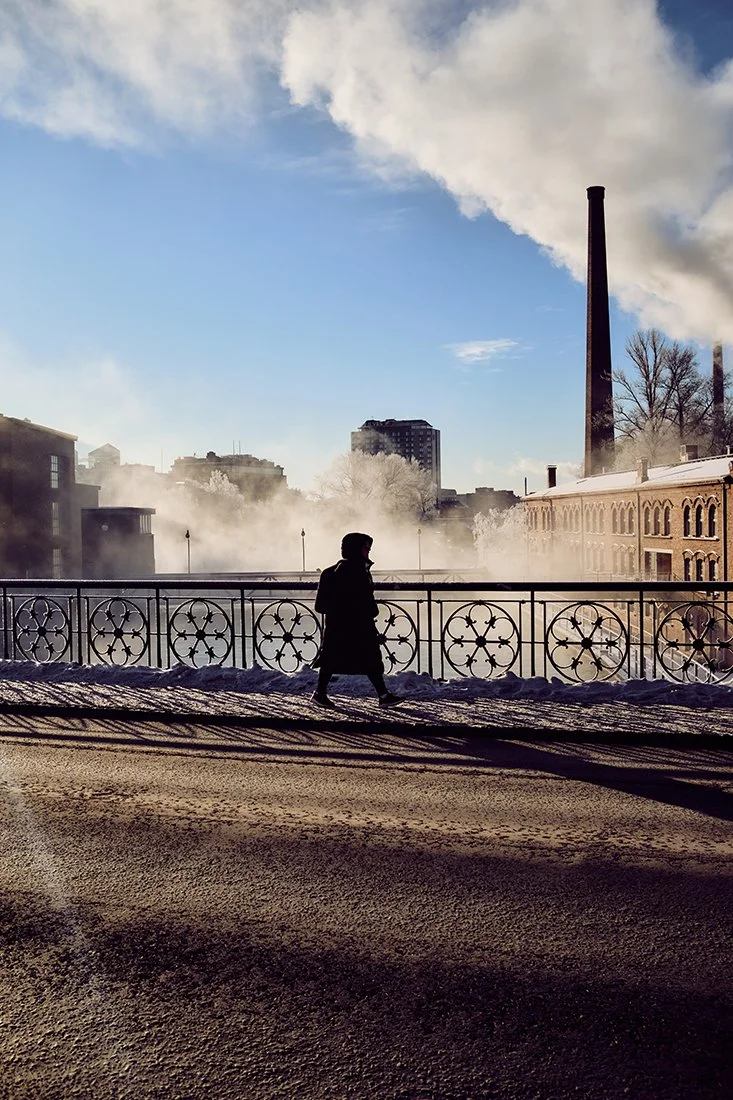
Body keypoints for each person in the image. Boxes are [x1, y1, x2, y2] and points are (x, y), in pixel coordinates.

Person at [311, 532, 401, 709]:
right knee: (370, 659)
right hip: (360, 625)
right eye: (366, 548)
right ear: (357, 549)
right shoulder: (360, 572)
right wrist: (368, 611)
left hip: (336, 627)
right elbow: (367, 602)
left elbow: (320, 606)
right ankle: (383, 695)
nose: (368, 551)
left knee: (331, 659)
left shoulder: (329, 573)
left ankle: (320, 693)